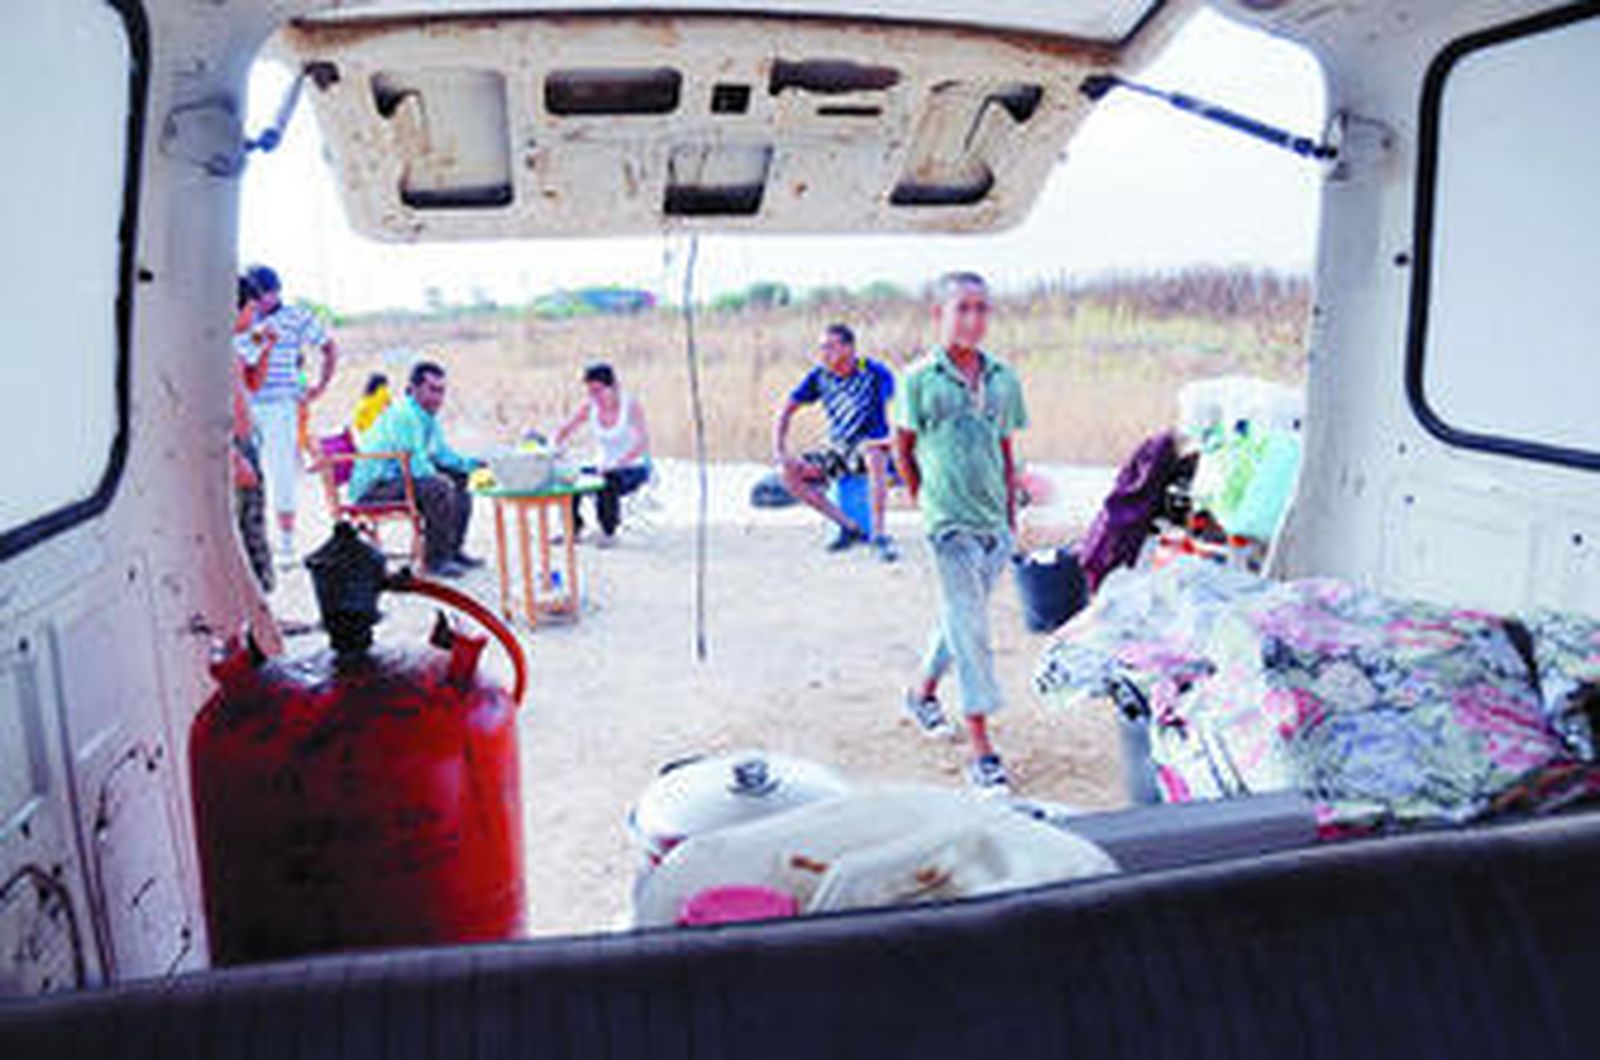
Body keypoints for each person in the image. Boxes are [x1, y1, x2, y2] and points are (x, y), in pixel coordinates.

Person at [893, 272, 1028, 794]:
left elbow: (1005, 445)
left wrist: (1012, 515)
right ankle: (981, 749)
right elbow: (903, 446)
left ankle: (921, 693)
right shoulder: (919, 379)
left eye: (981, 309)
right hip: (947, 523)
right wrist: (923, 500)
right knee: (971, 630)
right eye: (962, 309)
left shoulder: (1002, 378)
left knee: (957, 618)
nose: (973, 319)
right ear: (940, 315)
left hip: (994, 522)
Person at [233, 264, 338, 562]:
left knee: (282, 470)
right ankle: (253, 539)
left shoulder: (296, 317)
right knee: (250, 470)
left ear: (275, 292)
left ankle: (287, 542)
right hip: (248, 401)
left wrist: (319, 386)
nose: (258, 301)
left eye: (262, 295)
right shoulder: (245, 318)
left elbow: (329, 347)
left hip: (280, 403)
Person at [773, 323, 899, 561]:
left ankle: (879, 536)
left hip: (872, 448)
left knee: (874, 452)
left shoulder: (873, 372)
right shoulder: (819, 376)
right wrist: (780, 450)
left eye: (830, 347)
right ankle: (849, 527)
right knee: (787, 473)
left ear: (849, 348)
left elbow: (900, 405)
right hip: (838, 451)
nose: (824, 354)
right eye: (822, 348)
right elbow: (785, 410)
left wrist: (892, 439)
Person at [349, 361, 485, 577]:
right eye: (432, 390)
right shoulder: (405, 414)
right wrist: (443, 479)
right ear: (413, 388)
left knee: (461, 478)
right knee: (439, 486)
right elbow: (416, 465)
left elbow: (442, 454)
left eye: (441, 391)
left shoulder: (426, 416)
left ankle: (453, 550)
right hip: (374, 490)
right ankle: (436, 560)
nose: (438, 398)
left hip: (397, 480)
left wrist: (470, 465)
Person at [553, 363, 652, 541]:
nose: (594, 396)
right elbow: (565, 429)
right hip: (603, 464)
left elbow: (642, 442)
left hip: (631, 465)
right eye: (590, 391)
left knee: (608, 480)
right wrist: (555, 446)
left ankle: (608, 530)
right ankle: (573, 528)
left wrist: (619, 462)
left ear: (613, 387)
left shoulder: (630, 405)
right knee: (571, 477)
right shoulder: (590, 407)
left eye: (598, 391)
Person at [231, 276, 273, 592]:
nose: (254, 319)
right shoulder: (207, 351)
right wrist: (232, 457)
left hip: (246, 445)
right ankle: (253, 610)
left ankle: (264, 604)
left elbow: (252, 384)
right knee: (242, 528)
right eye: (251, 310)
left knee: (255, 524)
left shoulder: (229, 347)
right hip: (233, 449)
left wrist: (267, 350)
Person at [352, 372, 391, 438]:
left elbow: (358, 421)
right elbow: (390, 404)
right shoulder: (383, 393)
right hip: (378, 431)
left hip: (368, 432)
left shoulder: (365, 399)